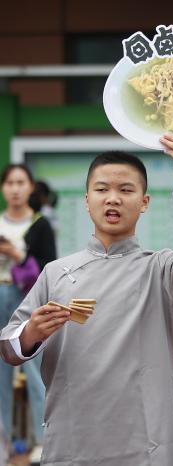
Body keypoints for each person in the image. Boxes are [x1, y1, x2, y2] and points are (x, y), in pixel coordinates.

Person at [0, 130, 173, 466]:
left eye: (126, 190)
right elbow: (9, 345)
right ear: (86, 200)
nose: (113, 199)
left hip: (146, 449)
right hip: (71, 447)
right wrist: (31, 333)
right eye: (102, 189)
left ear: (144, 202)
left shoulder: (162, 271)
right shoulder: (56, 273)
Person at [0, 164, 57, 464]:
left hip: (28, 298)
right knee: (1, 373)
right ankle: (3, 443)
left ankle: (42, 442)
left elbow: (49, 267)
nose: (15, 189)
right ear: (3, 188)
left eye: (21, 182)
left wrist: (15, 254)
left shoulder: (40, 224)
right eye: (10, 183)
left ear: (31, 187)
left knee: (35, 370)